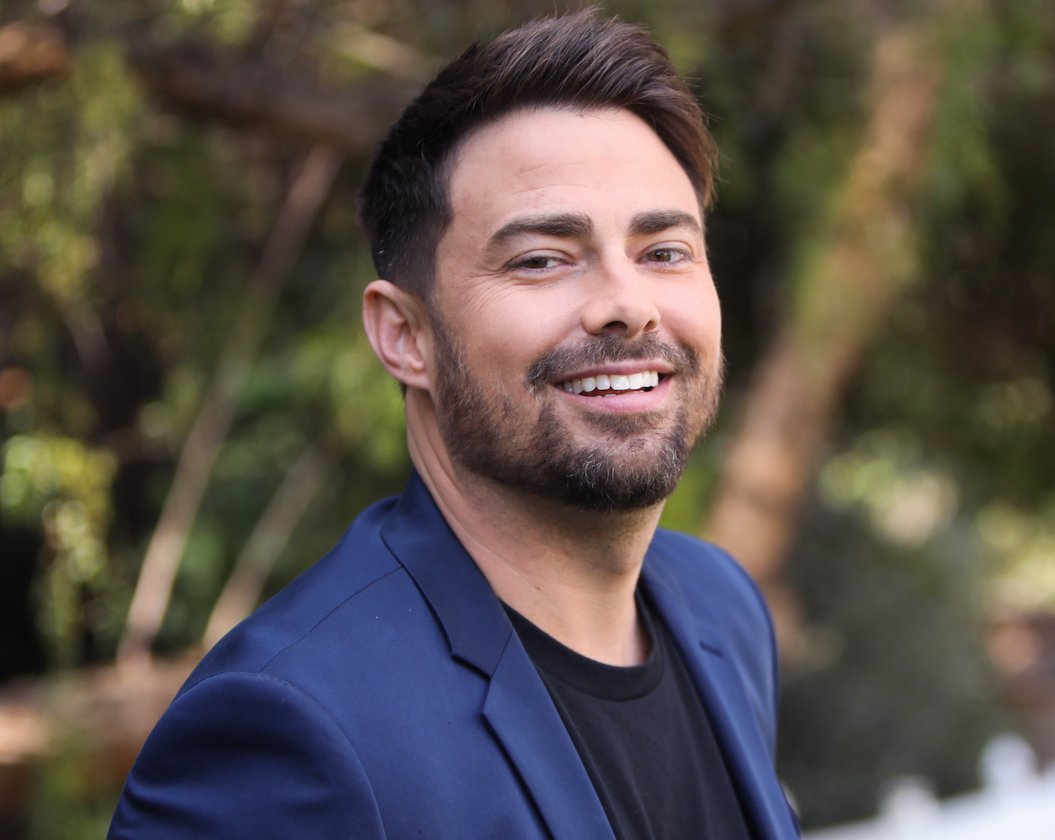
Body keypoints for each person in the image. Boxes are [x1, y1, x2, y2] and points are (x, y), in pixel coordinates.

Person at [109, 11, 799, 839]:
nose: (627, 304)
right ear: (405, 337)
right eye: (542, 259)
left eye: (664, 251)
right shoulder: (287, 729)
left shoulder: (722, 611)